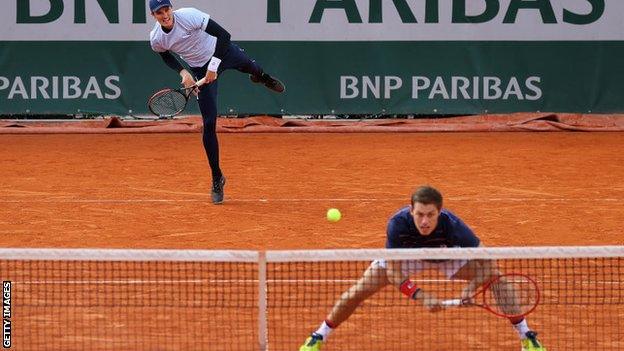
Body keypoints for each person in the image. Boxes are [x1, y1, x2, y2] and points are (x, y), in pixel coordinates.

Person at [299, 185, 547, 351]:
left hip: (445, 256)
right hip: (408, 257)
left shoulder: (453, 226)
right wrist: (420, 295)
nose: (425, 221)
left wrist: (470, 288)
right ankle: (319, 336)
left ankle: (527, 337)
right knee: (357, 292)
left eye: (430, 214)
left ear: (439, 211)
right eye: (419, 214)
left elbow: (487, 261)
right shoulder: (397, 225)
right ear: (411, 211)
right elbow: (393, 271)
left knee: (497, 278)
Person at [148, 0, 285, 204]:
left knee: (253, 68)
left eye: (166, 9)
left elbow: (224, 35)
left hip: (222, 52)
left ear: (172, 8)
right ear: (154, 16)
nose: (165, 15)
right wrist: (183, 72)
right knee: (209, 123)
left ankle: (262, 77)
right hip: (199, 70)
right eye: (159, 12)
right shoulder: (156, 38)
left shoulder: (189, 16)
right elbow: (165, 55)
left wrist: (214, 66)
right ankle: (216, 177)